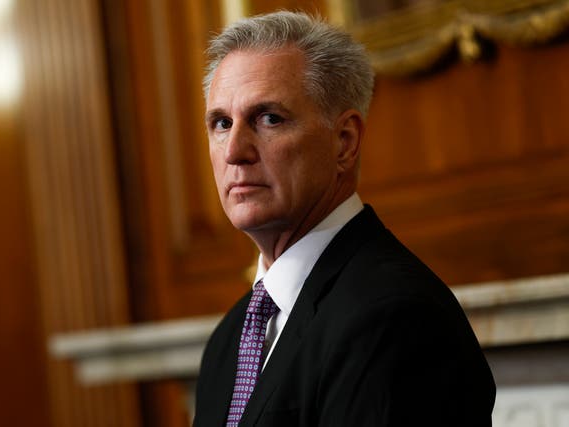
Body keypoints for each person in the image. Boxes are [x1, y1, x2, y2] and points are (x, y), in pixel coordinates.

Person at [193, 11, 495, 427]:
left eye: (269, 118)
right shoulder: (230, 338)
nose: (234, 151)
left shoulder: (393, 318)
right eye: (222, 123)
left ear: (344, 142)